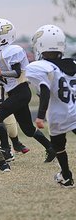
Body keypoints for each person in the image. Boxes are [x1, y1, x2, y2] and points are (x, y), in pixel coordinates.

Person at [0, 18, 55, 163]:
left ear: (2, 38)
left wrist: (1, 73)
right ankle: (51, 148)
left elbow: (16, 72)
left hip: (21, 91)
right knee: (27, 129)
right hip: (14, 93)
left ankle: (6, 152)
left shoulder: (12, 51)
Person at [26, 24, 76, 188]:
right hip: (74, 109)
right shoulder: (73, 63)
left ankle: (67, 177)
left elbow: (45, 89)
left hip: (59, 114)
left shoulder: (40, 67)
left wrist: (40, 116)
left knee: (58, 147)